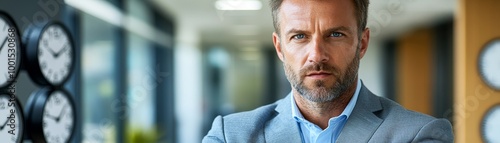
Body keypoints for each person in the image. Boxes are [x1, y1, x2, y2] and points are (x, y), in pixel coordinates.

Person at [203, 0, 454, 142]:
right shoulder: (230, 135)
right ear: (279, 47)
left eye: (335, 34)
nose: (317, 55)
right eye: (300, 36)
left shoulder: (418, 135)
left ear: (362, 43)